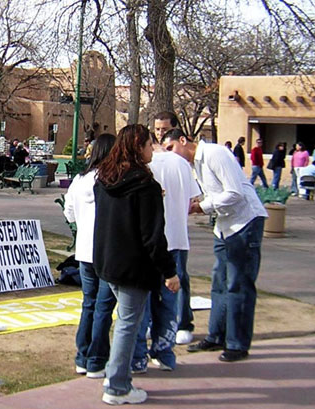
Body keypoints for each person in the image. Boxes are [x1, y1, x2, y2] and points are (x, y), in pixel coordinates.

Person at [162, 132, 267, 363]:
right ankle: (217, 335)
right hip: (224, 226)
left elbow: (234, 192)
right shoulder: (194, 165)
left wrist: (202, 207)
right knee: (219, 282)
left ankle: (237, 344)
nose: (170, 155)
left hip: (245, 223)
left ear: (183, 140)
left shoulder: (215, 153)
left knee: (239, 284)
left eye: (171, 148)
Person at [94, 124, 179, 405]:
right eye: (148, 144)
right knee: (128, 325)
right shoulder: (144, 186)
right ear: (137, 147)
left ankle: (115, 376)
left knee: (125, 321)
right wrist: (169, 271)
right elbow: (153, 236)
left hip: (108, 263)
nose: (152, 149)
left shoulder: (104, 179)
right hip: (133, 266)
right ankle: (117, 386)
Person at [131, 129, 201, 375]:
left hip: (149, 244)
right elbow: (193, 200)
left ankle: (138, 356)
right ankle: (164, 352)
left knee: (142, 303)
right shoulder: (181, 165)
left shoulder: (143, 166)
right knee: (169, 300)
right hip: (176, 240)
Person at [64, 133, 117, 380]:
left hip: (85, 250)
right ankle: (96, 359)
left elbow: (69, 212)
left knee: (89, 303)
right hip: (107, 251)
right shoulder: (112, 179)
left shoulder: (79, 180)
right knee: (103, 306)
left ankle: (83, 356)